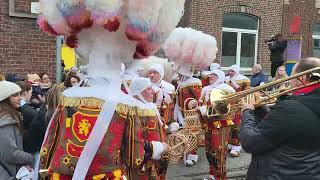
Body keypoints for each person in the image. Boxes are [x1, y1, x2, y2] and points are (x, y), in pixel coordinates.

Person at [239, 57, 320, 180]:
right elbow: (288, 128)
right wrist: (262, 107)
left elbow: (250, 142)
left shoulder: (292, 108)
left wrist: (247, 112)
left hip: (278, 174)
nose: (289, 81)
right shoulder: (304, 104)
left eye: (291, 76)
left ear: (302, 78)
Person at [128, 77, 170, 179]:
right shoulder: (133, 111)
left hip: (158, 158)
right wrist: (157, 148)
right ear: (138, 91)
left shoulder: (151, 107)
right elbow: (133, 140)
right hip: (144, 160)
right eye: (148, 89)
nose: (153, 92)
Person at [198, 70, 235, 180]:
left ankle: (220, 177)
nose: (211, 76)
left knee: (218, 151)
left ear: (220, 76)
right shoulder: (206, 89)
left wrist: (204, 109)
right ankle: (212, 174)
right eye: (210, 75)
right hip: (208, 124)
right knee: (209, 151)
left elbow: (224, 109)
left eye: (214, 75)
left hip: (221, 125)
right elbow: (201, 105)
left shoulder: (226, 89)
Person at [0, 80, 34, 179]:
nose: (20, 98)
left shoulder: (8, 117)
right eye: (15, 95)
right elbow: (10, 154)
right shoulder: (5, 122)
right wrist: (30, 158)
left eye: (20, 94)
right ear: (5, 99)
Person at [174, 65, 203, 167]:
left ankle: (192, 155)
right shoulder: (179, 83)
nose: (178, 75)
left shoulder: (194, 82)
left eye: (180, 73)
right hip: (181, 112)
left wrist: (192, 103)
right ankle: (184, 152)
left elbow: (199, 98)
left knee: (192, 134)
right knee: (183, 133)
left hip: (191, 113)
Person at [225, 64, 250, 157]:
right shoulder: (226, 79)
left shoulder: (244, 80)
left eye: (232, 71)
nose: (230, 73)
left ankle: (236, 146)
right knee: (228, 125)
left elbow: (246, 93)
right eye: (229, 71)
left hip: (238, 106)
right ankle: (230, 144)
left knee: (236, 126)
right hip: (228, 106)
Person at [15, 81, 39, 154]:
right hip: (30, 150)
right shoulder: (32, 112)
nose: (31, 96)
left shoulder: (10, 108)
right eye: (30, 93)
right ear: (25, 93)